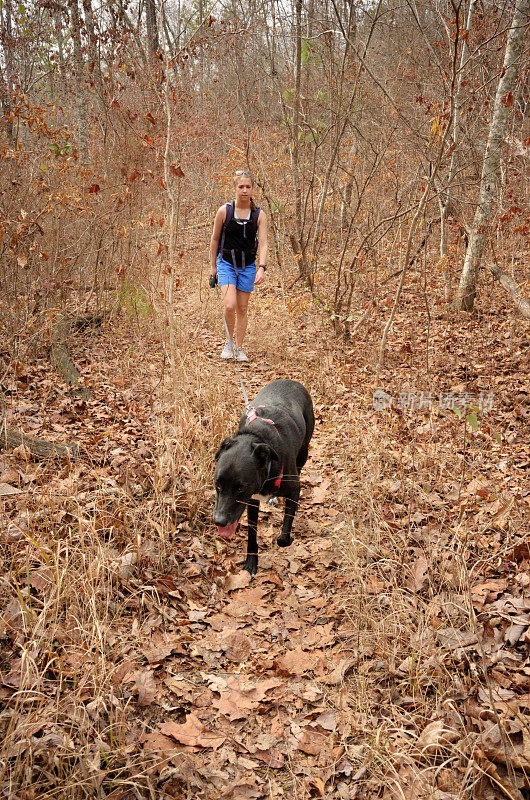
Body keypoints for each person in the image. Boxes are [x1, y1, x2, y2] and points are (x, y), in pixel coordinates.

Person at [210, 170, 268, 361]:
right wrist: (213, 268)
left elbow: (265, 243)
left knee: (242, 309)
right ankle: (228, 342)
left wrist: (262, 267)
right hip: (226, 263)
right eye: (241, 186)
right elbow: (215, 239)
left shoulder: (259, 215)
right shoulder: (224, 211)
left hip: (248, 266)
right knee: (229, 306)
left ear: (252, 189)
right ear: (234, 188)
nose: (244, 190)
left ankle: (239, 347)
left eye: (248, 187)